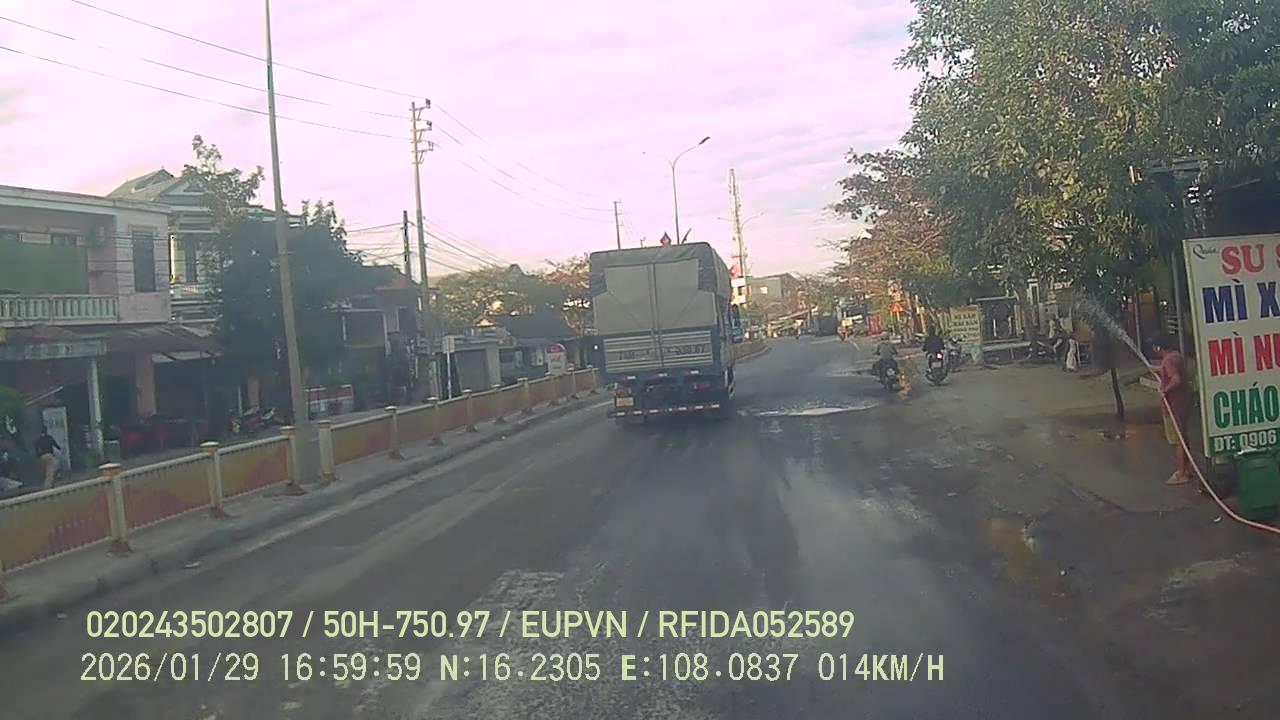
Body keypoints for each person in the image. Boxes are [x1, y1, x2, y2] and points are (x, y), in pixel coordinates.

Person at [1151, 334, 1191, 485]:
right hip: (1183, 404)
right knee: (1183, 438)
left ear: (1158, 347)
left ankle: (1181, 473)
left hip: (1173, 406)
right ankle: (1187, 469)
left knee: (1177, 440)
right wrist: (1155, 369)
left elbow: (1176, 379)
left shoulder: (1168, 361)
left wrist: (1165, 390)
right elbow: (1169, 371)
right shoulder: (1176, 356)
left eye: (1154, 346)